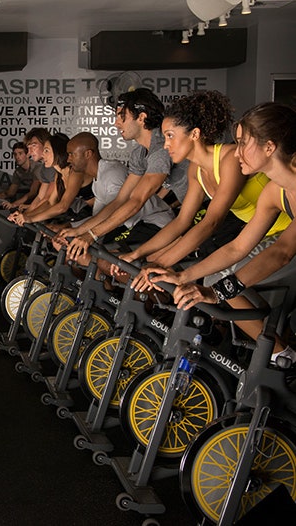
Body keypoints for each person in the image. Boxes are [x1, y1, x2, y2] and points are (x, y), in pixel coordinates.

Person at [149, 102, 296, 364]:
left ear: (269, 147)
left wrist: (219, 291)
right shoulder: (274, 192)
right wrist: (184, 276)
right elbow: (237, 247)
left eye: (243, 143)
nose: (236, 152)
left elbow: (282, 252)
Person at [115, 90, 291, 287]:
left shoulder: (230, 159)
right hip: (258, 231)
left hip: (282, 230)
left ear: (195, 134)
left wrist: (160, 263)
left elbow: (211, 221)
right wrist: (138, 254)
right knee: (214, 283)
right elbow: (182, 221)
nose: (166, 145)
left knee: (215, 281)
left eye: (170, 136)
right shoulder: (195, 170)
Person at [59, 88, 186, 261]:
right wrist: (80, 231)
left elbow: (136, 201)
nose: (116, 123)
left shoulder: (160, 148)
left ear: (141, 118)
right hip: (182, 214)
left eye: (122, 116)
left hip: (202, 210)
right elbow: (120, 200)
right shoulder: (139, 154)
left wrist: (92, 235)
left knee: (142, 263)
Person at [52, 132, 174, 265]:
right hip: (134, 226)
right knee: (87, 253)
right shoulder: (98, 179)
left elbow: (117, 210)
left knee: (103, 261)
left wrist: (86, 233)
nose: (68, 159)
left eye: (72, 154)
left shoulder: (111, 174)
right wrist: (75, 230)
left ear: (88, 154)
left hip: (153, 224)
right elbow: (101, 215)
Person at [9, 132, 93, 226]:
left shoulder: (75, 173)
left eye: (46, 151)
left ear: (58, 151)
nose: (43, 155)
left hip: (94, 214)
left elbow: (63, 206)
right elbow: (50, 202)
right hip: (82, 214)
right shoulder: (59, 175)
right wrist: (25, 215)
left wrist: (31, 218)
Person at [0, 141, 41, 209]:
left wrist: (13, 204)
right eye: (15, 154)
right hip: (35, 202)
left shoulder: (37, 167)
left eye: (20, 153)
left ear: (27, 154)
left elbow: (33, 193)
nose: (17, 157)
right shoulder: (18, 172)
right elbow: (9, 193)